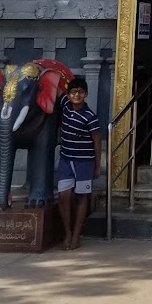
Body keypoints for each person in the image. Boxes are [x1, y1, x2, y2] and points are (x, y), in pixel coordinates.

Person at [56, 76, 102, 249]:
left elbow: (97, 141)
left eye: (80, 92)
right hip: (66, 159)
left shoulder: (90, 116)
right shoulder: (66, 106)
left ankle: (76, 235)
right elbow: (57, 89)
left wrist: (97, 165)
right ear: (69, 95)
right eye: (73, 92)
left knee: (82, 197)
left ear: (86, 94)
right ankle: (67, 233)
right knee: (63, 195)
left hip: (84, 161)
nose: (76, 95)